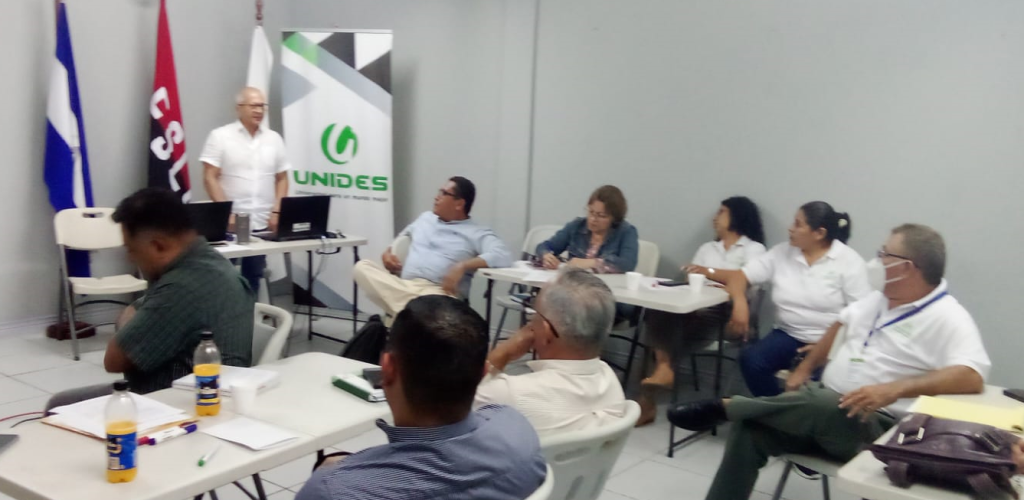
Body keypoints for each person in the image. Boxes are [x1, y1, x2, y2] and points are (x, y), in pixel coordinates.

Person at [667, 224, 991, 500]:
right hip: (825, 412)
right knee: (751, 429)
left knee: (824, 401)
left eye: (884, 254)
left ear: (907, 267)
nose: (877, 260)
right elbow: (841, 322)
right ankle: (737, 413)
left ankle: (729, 406)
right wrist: (806, 368)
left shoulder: (947, 316)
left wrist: (894, 389)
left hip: (879, 428)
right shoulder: (879, 299)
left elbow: (971, 375)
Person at [295, 295, 547, 500]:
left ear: (388, 369)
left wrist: (344, 471)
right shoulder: (519, 433)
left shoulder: (332, 491)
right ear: (482, 373)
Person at [694, 201, 871, 397]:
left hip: (829, 341)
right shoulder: (781, 253)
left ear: (819, 233)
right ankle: (776, 409)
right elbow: (739, 277)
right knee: (752, 360)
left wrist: (827, 347)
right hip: (788, 334)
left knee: (818, 385)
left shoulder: (849, 261)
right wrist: (740, 304)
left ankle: (782, 410)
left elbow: (862, 314)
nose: (790, 228)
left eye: (798, 224)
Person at [103, 187, 254, 394]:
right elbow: (142, 306)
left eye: (132, 250)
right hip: (197, 394)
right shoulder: (208, 262)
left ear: (158, 246)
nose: (131, 259)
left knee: (62, 402)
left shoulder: (183, 286)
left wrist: (129, 325)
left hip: (176, 403)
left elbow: (114, 360)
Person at [636, 196, 767, 425]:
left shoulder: (754, 249)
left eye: (722, 212)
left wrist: (709, 272)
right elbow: (692, 277)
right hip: (697, 307)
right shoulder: (708, 248)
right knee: (657, 310)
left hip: (731, 316)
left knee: (674, 331)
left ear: (738, 216)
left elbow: (745, 280)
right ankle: (663, 371)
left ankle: (656, 384)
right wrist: (717, 278)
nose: (715, 217)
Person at [475, 268, 627, 436]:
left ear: (546, 331)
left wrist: (503, 353)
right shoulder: (611, 381)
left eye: (535, 314)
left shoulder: (509, 393)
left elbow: (458, 405)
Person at [353, 177, 512, 322]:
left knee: (437, 303)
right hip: (405, 286)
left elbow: (502, 255)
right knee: (362, 267)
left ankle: (408, 313)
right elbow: (402, 237)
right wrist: (387, 254)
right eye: (439, 192)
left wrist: (463, 266)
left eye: (444, 193)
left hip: (439, 293)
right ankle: (414, 313)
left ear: (459, 204)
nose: (437, 197)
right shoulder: (425, 218)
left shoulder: (477, 232)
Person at [200, 86, 291, 293]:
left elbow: (282, 178)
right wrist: (226, 213)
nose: (258, 111)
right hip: (230, 224)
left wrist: (277, 211)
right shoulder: (220, 136)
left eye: (262, 106)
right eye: (253, 106)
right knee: (223, 279)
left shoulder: (274, 139)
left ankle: (249, 313)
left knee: (253, 277)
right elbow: (209, 177)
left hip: (262, 223)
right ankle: (224, 314)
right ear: (239, 108)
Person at [536, 185, 638, 274]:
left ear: (614, 218)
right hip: (573, 284)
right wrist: (546, 255)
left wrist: (593, 263)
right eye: (591, 212)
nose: (593, 219)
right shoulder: (576, 226)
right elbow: (544, 246)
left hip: (607, 287)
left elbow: (628, 264)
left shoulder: (627, 231)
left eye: (601, 216)